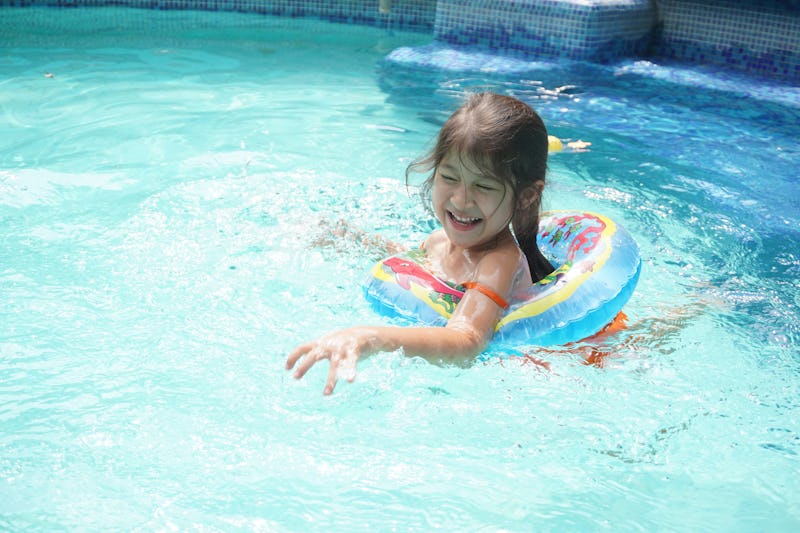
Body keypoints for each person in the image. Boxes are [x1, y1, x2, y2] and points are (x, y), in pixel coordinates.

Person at [286, 92, 555, 395]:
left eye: (483, 186)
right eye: (449, 177)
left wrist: (368, 337)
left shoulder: (498, 260)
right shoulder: (441, 239)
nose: (460, 200)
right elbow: (412, 264)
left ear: (527, 196)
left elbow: (467, 340)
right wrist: (351, 240)